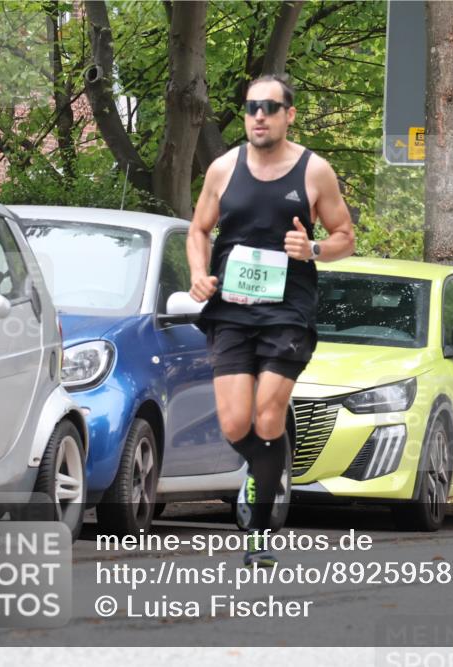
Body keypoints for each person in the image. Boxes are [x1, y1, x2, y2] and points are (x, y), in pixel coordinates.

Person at [187, 75, 355, 566]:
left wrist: (316, 248)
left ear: (289, 115)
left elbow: (345, 235)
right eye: (251, 107)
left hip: (287, 311)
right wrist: (199, 274)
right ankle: (266, 463)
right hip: (232, 310)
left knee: (266, 416)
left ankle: (259, 534)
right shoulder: (222, 168)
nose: (258, 115)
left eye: (269, 107)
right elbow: (199, 230)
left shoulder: (314, 171)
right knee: (236, 422)